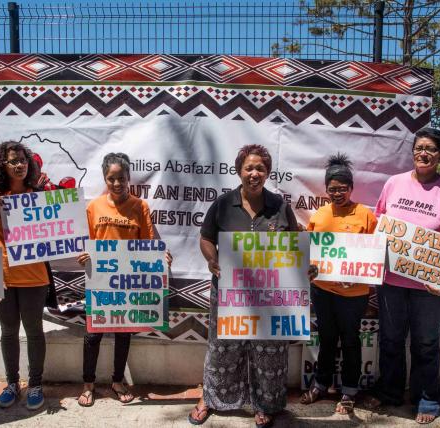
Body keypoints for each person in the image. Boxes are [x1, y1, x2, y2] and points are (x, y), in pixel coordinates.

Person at [188, 144, 300, 428]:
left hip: (269, 295)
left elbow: (294, 245)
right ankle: (211, 398)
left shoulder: (280, 206)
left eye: (260, 168)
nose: (254, 173)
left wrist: (301, 269)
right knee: (222, 347)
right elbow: (205, 238)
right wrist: (213, 260)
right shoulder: (223, 204)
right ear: (239, 171)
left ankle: (264, 404)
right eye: (248, 168)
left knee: (268, 349)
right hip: (230, 291)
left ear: (268, 172)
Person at [368, 127, 440, 424]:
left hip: (430, 286)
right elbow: (379, 222)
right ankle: (390, 392)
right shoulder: (393, 184)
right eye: (420, 148)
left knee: (425, 342)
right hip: (391, 282)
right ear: (412, 152)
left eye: (431, 149)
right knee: (391, 339)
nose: (424, 153)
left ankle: (428, 398)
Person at [75, 152, 171, 407]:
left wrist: (160, 258)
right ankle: (88, 384)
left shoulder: (140, 206)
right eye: (111, 178)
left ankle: (117, 381)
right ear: (105, 178)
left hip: (128, 281)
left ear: (129, 178)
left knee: (124, 333)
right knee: (92, 334)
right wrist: (84, 255)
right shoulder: (94, 207)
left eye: (121, 178)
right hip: (99, 279)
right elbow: (84, 241)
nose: (117, 183)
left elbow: (149, 242)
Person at [301, 154, 378, 416]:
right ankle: (321, 384)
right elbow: (309, 251)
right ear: (326, 189)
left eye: (342, 188)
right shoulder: (320, 215)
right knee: (327, 338)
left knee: (350, 340)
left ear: (351, 188)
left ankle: (349, 391)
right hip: (323, 290)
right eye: (332, 189)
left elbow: (375, 254)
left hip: (354, 294)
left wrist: (362, 275)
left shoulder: (365, 215)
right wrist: (309, 266)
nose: (337, 193)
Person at [0, 141, 49, 410]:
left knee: (34, 330)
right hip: (3, 275)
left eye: (22, 160)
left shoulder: (39, 194)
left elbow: (56, 231)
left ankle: (35, 384)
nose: (19, 165)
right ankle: (11, 383)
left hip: (35, 276)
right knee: (8, 331)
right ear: (2, 165)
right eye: (12, 161)